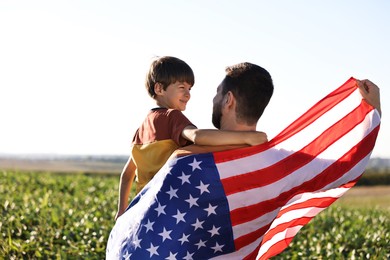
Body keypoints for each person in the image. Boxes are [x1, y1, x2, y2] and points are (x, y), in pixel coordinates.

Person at [115, 57, 268, 220]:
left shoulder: (141, 129)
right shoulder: (172, 116)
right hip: (170, 207)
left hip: (146, 210)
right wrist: (247, 138)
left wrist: (121, 211)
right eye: (182, 87)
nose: (187, 94)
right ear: (159, 88)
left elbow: (127, 174)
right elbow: (197, 136)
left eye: (189, 88)